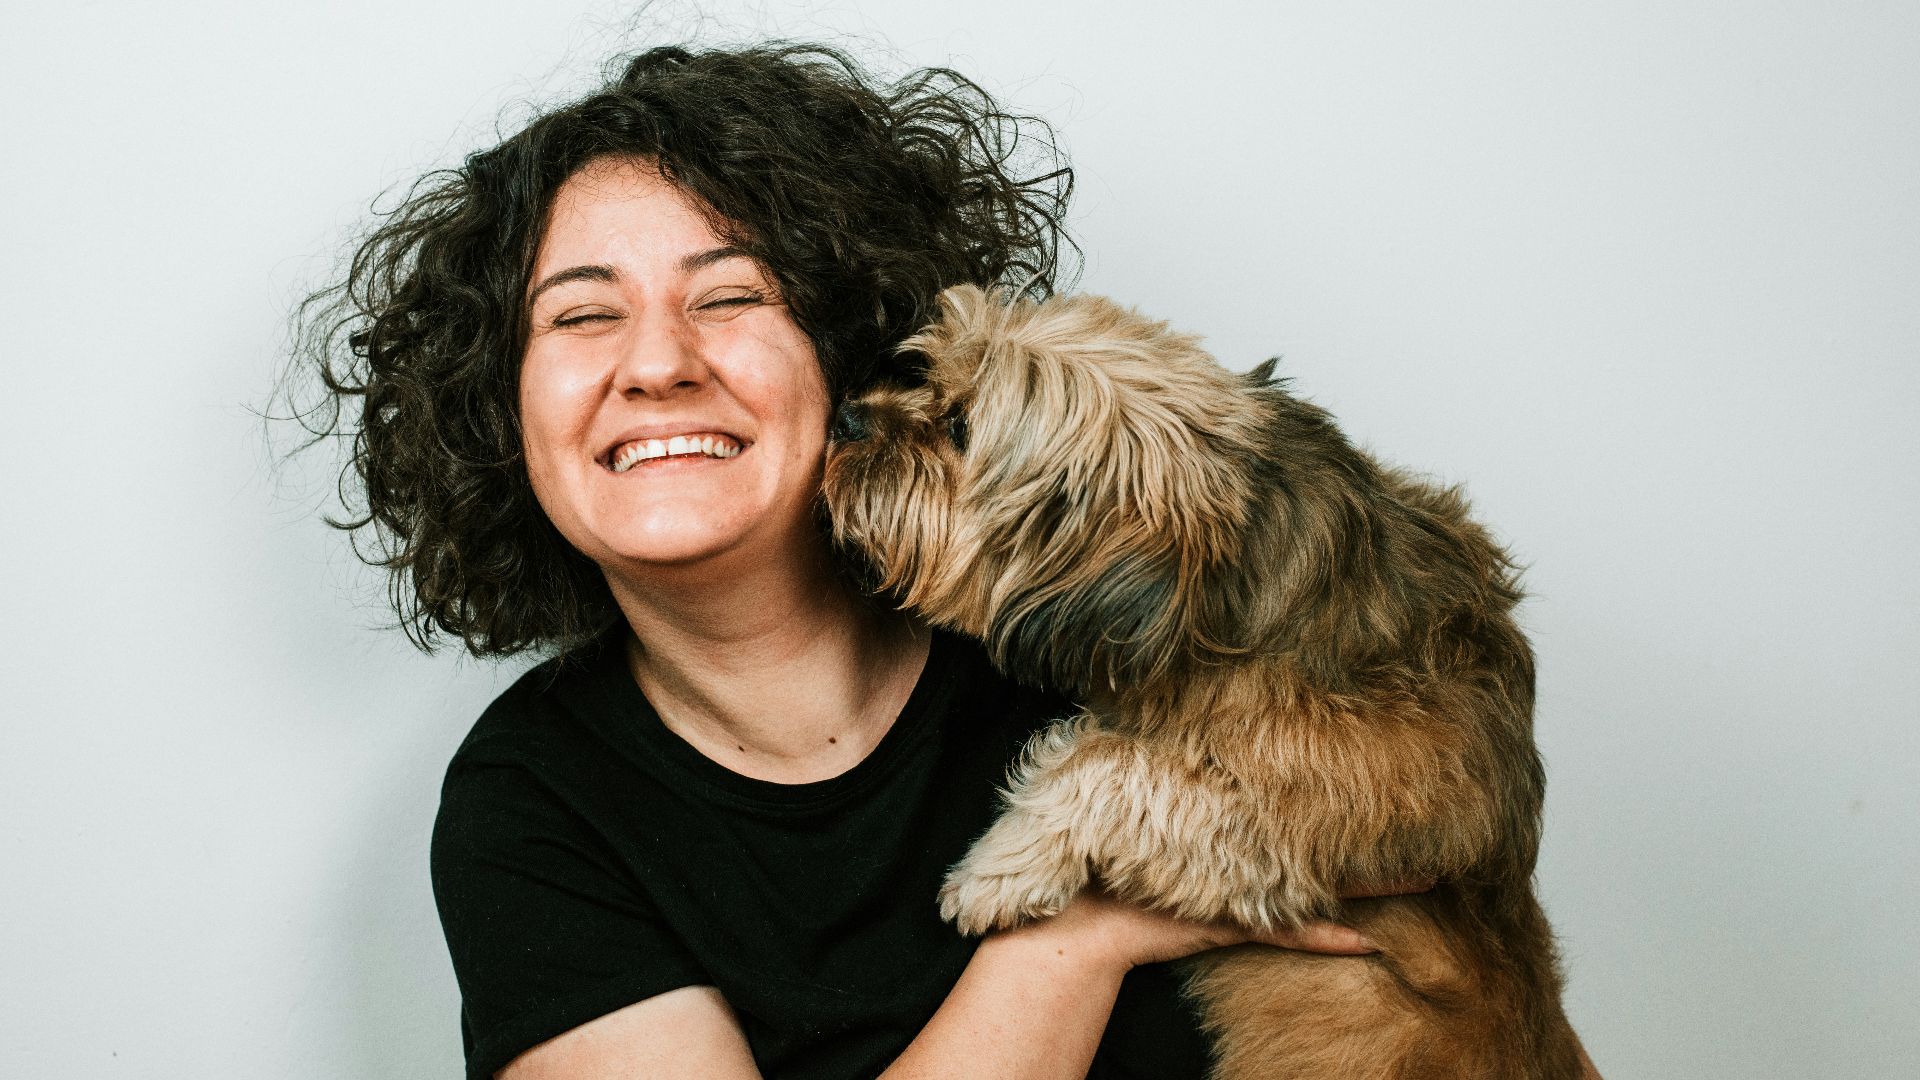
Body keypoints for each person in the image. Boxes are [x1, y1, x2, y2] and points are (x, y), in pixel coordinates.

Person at [295, 43, 1432, 1080]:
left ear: (847, 346)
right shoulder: (531, 808)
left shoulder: (1098, 613)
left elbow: (1457, 910)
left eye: (732, 295)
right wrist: (1076, 940)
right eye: (583, 317)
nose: (656, 364)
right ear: (501, 409)